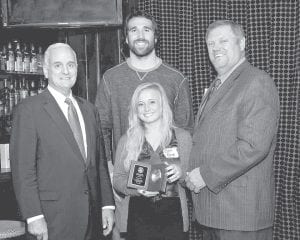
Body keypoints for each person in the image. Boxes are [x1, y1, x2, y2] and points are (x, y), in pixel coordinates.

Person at [95, 10, 194, 239]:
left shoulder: (176, 79)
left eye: (146, 29)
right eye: (133, 30)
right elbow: (101, 128)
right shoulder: (110, 78)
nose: (140, 35)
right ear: (126, 39)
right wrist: (112, 172)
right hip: (128, 186)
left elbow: (186, 130)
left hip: (171, 198)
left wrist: (181, 172)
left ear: (156, 37)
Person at [185, 20, 280, 240]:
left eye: (223, 41)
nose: (216, 48)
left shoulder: (257, 82)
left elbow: (253, 147)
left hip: (240, 216)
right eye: (210, 43)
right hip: (213, 213)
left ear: (242, 43)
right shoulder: (218, 85)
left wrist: (205, 175)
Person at [10, 43, 114, 240]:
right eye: (58, 65)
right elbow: (23, 170)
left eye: (71, 65)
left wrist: (107, 205)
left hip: (92, 217)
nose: (66, 71)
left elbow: (99, 164)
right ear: (46, 70)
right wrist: (33, 216)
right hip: (52, 219)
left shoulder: (89, 110)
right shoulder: (29, 110)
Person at [113, 82, 192, 240]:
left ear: (163, 105)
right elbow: (118, 180)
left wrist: (182, 173)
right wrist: (137, 190)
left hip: (174, 219)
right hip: (137, 219)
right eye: (140, 104)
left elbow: (191, 178)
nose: (146, 108)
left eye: (152, 102)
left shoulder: (183, 137)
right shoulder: (126, 140)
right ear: (136, 109)